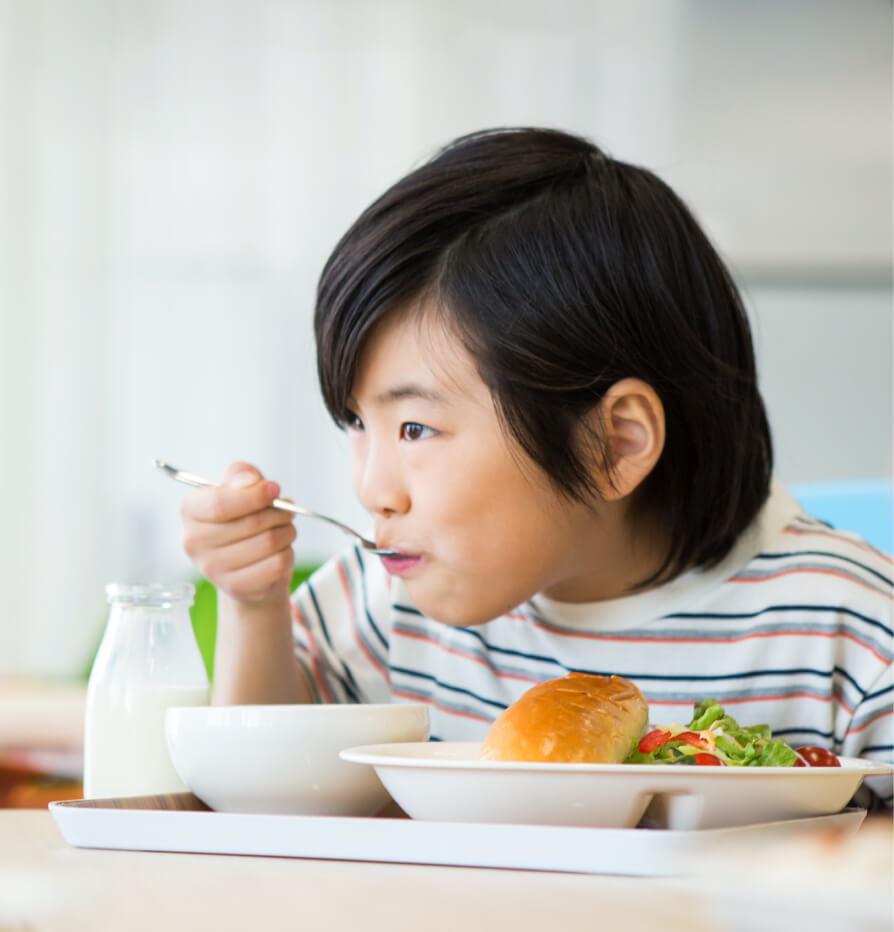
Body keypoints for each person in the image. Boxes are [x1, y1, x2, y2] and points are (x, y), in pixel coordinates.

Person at [179, 127, 892, 807]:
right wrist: (255, 606)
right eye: (359, 424)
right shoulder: (387, 600)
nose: (372, 487)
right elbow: (263, 796)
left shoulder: (849, 632)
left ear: (615, 443)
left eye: (417, 427)